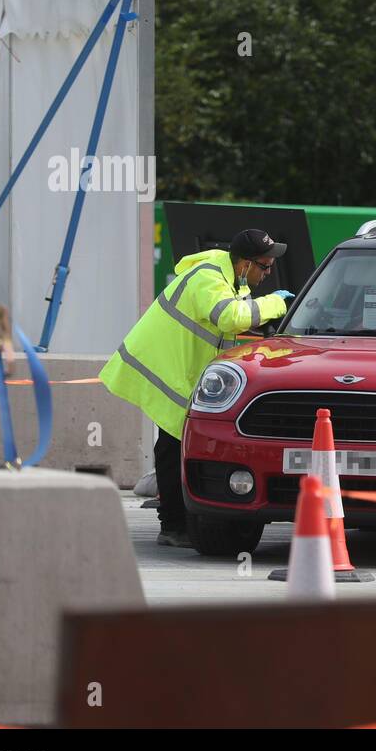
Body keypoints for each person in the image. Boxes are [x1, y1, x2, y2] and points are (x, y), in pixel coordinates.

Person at [100, 229, 295, 547]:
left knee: (175, 445)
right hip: (163, 369)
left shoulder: (235, 279)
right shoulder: (209, 276)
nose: (269, 271)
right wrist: (275, 304)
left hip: (180, 371)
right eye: (265, 265)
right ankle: (174, 526)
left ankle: (177, 524)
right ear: (245, 264)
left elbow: (238, 321)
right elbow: (229, 318)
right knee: (172, 446)